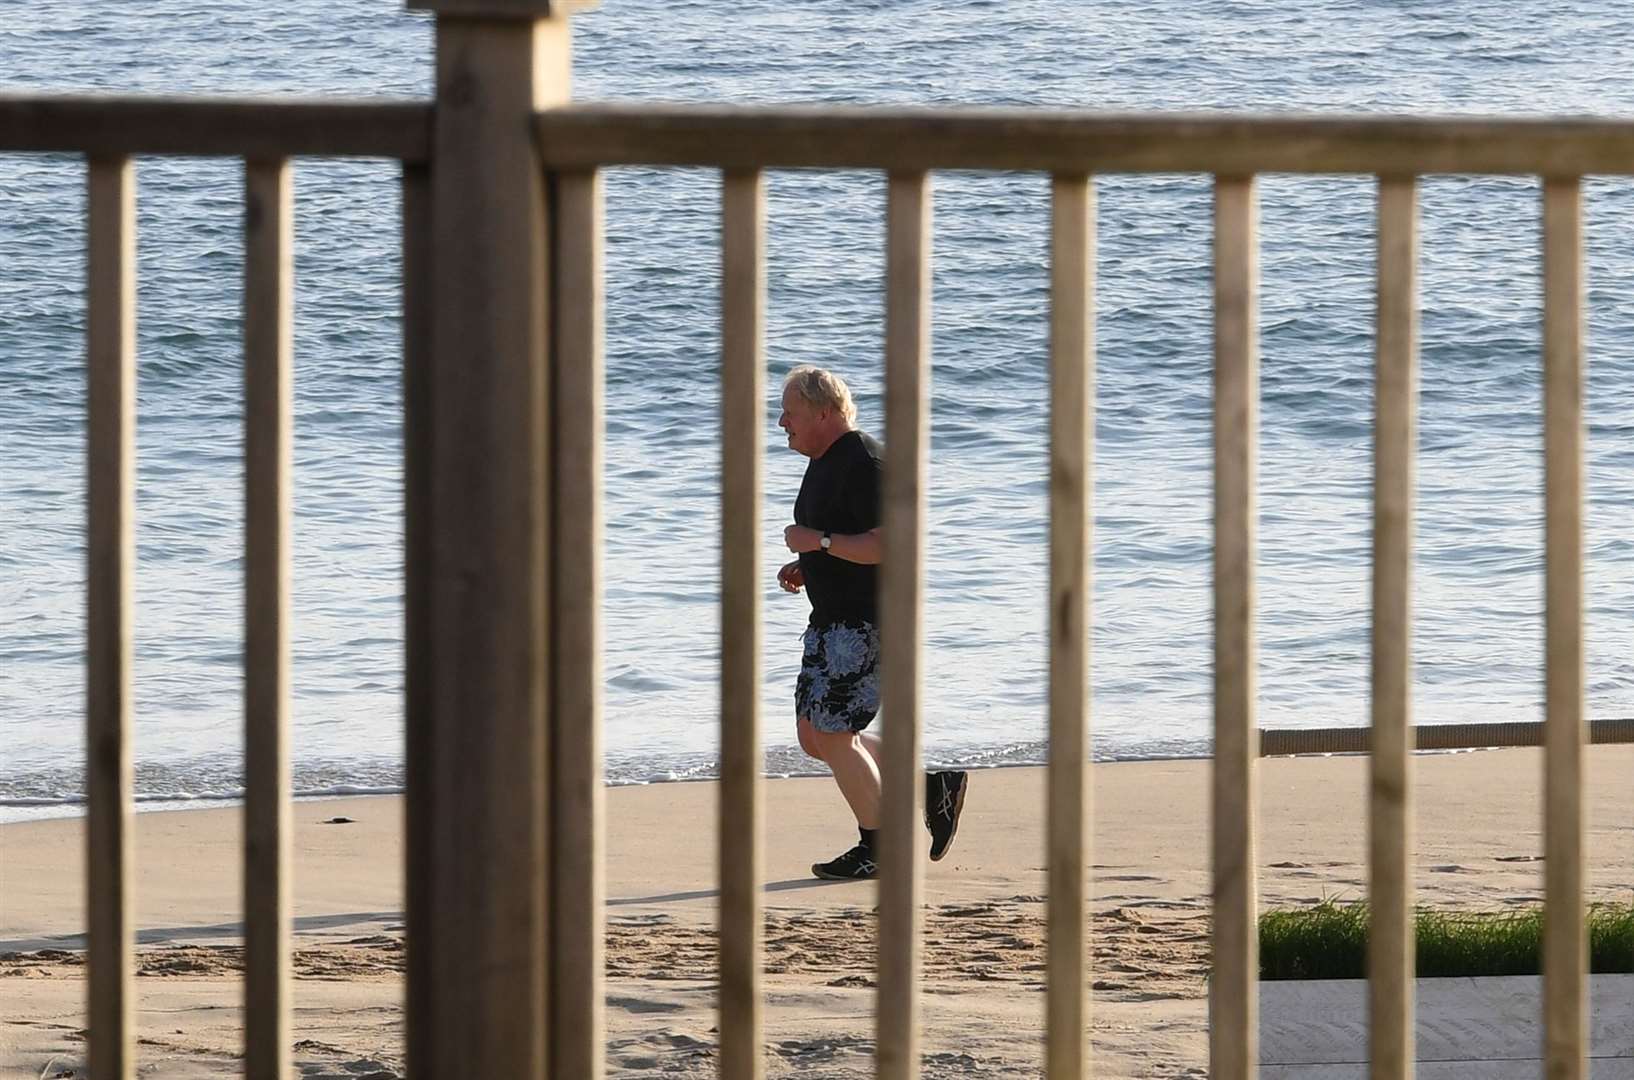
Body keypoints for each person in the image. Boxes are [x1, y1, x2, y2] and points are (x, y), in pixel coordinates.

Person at [776, 364, 969, 881]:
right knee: (815, 737)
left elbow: (889, 544)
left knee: (836, 735)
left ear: (824, 411)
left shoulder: (864, 462)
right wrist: (810, 562)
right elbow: (848, 537)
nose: (780, 424)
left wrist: (817, 542)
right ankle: (932, 786)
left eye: (789, 413)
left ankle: (878, 848)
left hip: (866, 625)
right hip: (831, 622)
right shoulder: (828, 460)